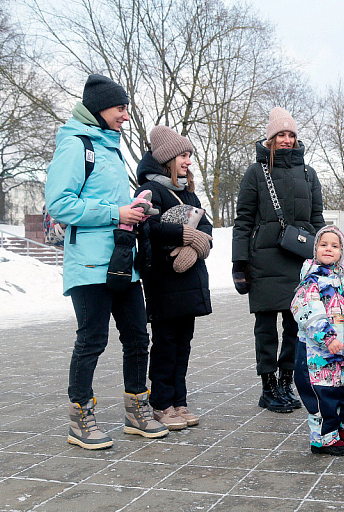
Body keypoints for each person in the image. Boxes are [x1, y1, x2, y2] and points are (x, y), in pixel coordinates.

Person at [45, 74, 168, 450]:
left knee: (137, 337)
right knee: (92, 340)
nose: (126, 116)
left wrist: (136, 208)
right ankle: (80, 417)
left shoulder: (110, 147)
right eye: (120, 108)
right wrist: (117, 213)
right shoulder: (76, 145)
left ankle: (136, 410)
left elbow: (110, 207)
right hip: (88, 264)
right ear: (99, 108)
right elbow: (60, 204)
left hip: (121, 260)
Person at [232, 107, 326, 413]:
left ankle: (287, 382)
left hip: (299, 259)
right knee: (265, 327)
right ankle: (268, 386)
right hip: (263, 261)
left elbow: (317, 218)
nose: (286, 140)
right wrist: (239, 263)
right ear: (270, 138)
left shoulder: (309, 174)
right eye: (280, 135)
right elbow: (243, 221)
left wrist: (324, 257)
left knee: (295, 325)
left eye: (291, 135)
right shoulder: (255, 172)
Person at [134, 125, 212, 430]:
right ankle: (161, 404)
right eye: (183, 154)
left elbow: (205, 228)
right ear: (167, 158)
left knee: (183, 343)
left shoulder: (187, 191)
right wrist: (184, 233)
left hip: (189, 281)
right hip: (164, 281)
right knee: (165, 343)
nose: (188, 161)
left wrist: (196, 246)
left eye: (189, 154)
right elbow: (147, 227)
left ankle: (180, 401)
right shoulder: (150, 191)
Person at [290, 226, 344, 456]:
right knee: (323, 396)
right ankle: (322, 439)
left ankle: (338, 429)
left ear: (341, 251)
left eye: (334, 246)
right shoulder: (311, 282)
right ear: (315, 248)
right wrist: (327, 337)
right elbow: (307, 312)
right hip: (319, 356)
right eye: (323, 244)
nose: (329, 249)